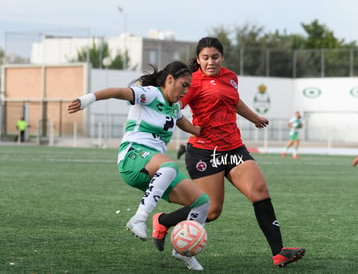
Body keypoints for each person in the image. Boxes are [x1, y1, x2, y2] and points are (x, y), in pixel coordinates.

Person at [150, 37, 305, 268]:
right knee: (211, 211)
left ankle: (279, 252)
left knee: (260, 191)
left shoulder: (230, 76)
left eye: (215, 57)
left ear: (221, 57)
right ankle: (162, 221)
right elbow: (175, 105)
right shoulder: (192, 83)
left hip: (234, 148)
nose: (211, 61)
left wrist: (255, 118)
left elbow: (235, 102)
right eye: (205, 57)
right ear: (199, 59)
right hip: (205, 153)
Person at [68, 61, 210, 271]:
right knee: (170, 166)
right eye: (184, 85)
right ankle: (139, 218)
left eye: (189, 86)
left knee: (202, 202)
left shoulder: (173, 106)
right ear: (170, 80)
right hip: (132, 156)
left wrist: (201, 131)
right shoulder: (151, 94)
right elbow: (118, 92)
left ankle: (183, 251)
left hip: (155, 167)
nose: (186, 91)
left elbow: (183, 123)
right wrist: (87, 99)